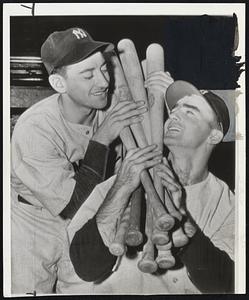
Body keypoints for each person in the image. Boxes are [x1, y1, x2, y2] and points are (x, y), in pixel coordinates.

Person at [10, 27, 165, 294]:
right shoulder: (34, 129)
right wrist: (102, 139)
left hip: (88, 217)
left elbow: (152, 128)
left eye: (103, 69)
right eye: (88, 74)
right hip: (34, 224)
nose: (104, 81)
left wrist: (161, 96)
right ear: (60, 84)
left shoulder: (108, 106)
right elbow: (71, 206)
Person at [67, 80, 234, 294]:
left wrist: (181, 217)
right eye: (174, 110)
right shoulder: (124, 179)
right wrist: (120, 190)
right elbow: (86, 266)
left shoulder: (227, 204)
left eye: (190, 112)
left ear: (214, 135)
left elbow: (224, 283)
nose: (173, 115)